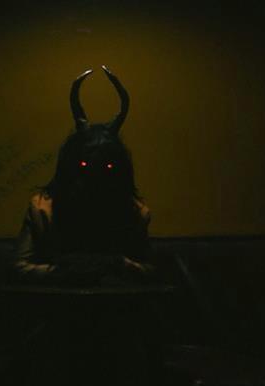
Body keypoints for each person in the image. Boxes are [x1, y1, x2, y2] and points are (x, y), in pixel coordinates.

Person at [10, 66, 156, 286]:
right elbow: (18, 268)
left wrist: (117, 264)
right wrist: (66, 272)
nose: (94, 178)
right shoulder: (42, 210)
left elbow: (151, 270)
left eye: (106, 168)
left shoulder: (42, 209)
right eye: (84, 165)